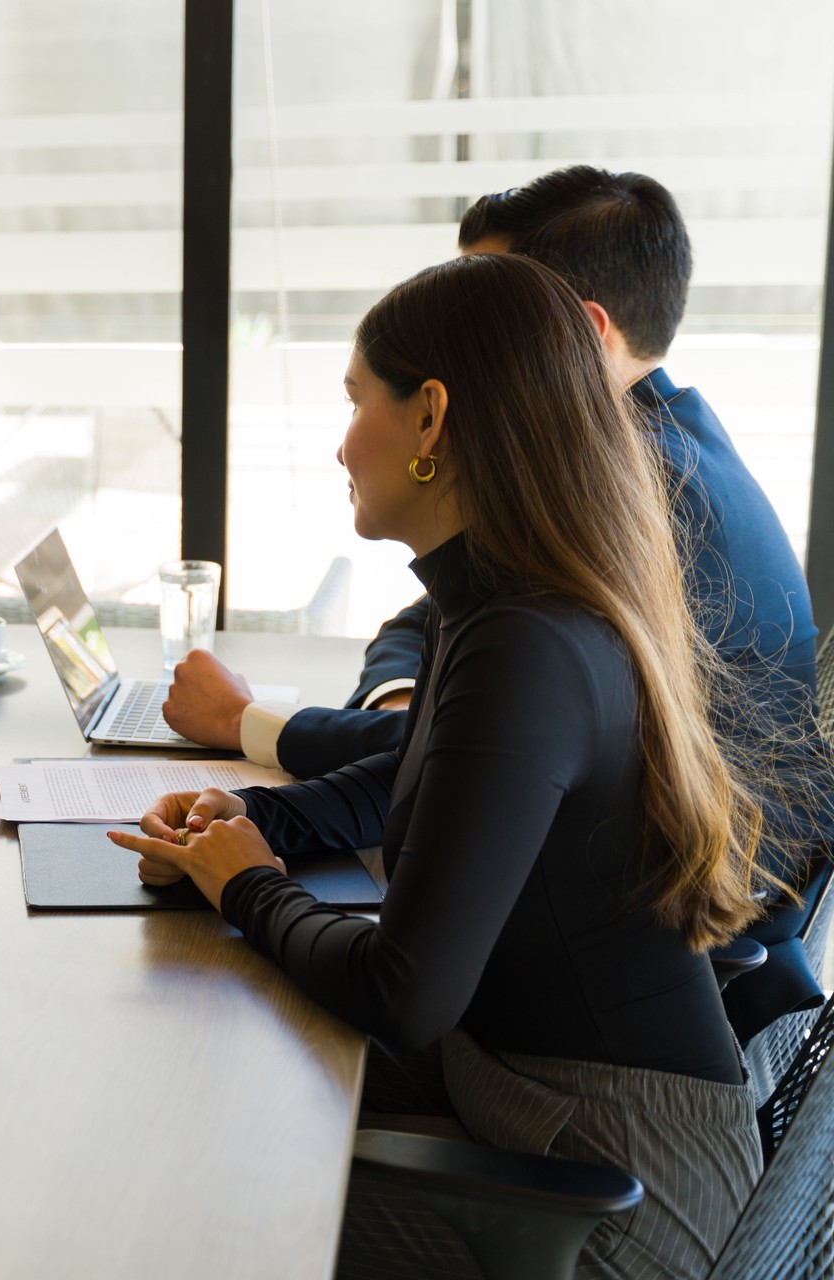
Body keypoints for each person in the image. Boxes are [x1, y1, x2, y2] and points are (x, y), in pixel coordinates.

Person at [113, 253, 784, 1278]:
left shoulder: (526, 638)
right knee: (208, 1067)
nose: (342, 444)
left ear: (430, 418)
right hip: (526, 1096)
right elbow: (416, 767)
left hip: (612, 1197)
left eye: (355, 400)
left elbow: (407, 988)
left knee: (189, 1189)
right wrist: (252, 821)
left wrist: (243, 879)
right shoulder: (511, 604)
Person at [163, 166, 816, 783]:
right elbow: (430, 619)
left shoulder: (654, 494)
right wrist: (410, 707)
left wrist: (244, 721)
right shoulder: (638, 448)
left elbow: (487, 749)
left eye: (485, 306)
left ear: (577, 331)